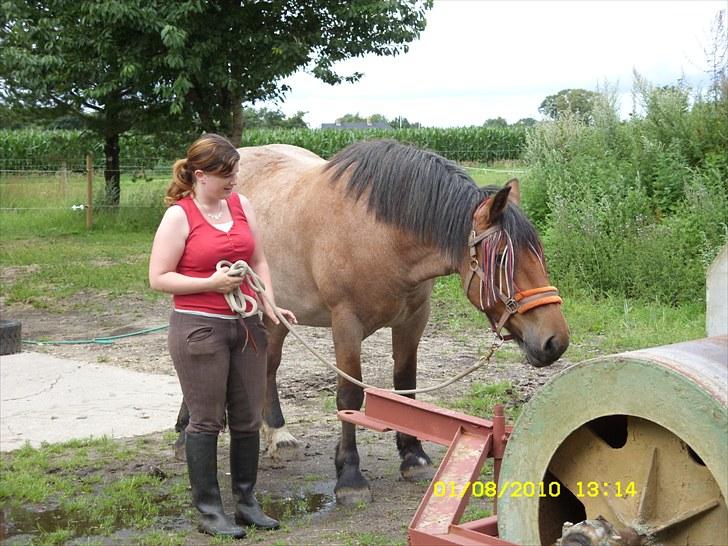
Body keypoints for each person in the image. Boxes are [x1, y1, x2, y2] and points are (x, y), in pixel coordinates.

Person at [149, 133, 297, 539]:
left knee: (249, 416)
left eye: (234, 172)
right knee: (207, 420)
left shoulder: (241, 205)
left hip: (247, 325)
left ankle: (247, 503)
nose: (234, 179)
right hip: (199, 328)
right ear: (201, 175)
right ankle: (210, 510)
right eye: (226, 173)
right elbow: (158, 277)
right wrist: (211, 284)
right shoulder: (180, 216)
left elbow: (259, 260)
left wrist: (268, 303)